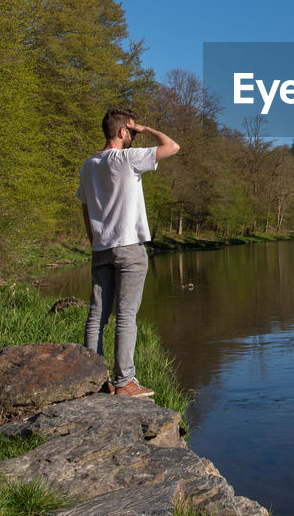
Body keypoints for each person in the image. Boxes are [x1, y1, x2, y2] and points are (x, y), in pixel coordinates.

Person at [77, 106, 179, 398]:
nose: (134, 136)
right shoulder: (126, 158)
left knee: (97, 316)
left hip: (101, 248)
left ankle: (93, 381)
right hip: (129, 248)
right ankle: (125, 383)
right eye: (131, 132)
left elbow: (85, 208)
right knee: (126, 315)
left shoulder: (88, 165)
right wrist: (146, 130)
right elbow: (171, 147)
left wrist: (94, 240)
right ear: (123, 132)